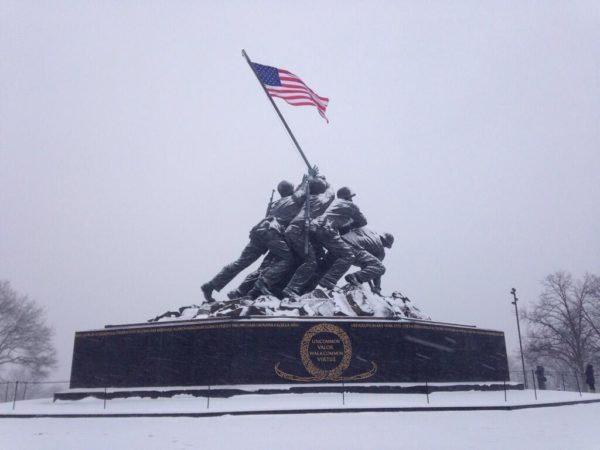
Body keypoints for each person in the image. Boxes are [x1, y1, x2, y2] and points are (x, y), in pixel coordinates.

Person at [201, 179, 304, 303]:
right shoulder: (293, 199)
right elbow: (305, 189)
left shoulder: (276, 203)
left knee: (241, 262)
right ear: (291, 190)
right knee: (288, 259)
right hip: (272, 233)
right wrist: (308, 179)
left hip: (259, 231)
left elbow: (298, 192)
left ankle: (211, 285)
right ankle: (264, 282)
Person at [281, 176, 334, 299]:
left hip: (292, 230)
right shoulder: (321, 200)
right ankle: (291, 289)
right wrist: (326, 181)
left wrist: (309, 181)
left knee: (300, 260)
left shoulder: (307, 198)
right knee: (310, 262)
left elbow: (296, 194)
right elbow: (331, 193)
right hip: (298, 231)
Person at [310, 186, 367, 292]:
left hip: (313, 226)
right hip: (325, 229)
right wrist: (349, 225)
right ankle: (328, 280)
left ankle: (312, 282)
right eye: (351, 197)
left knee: (321, 258)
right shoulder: (351, 206)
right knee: (348, 255)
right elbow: (363, 221)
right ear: (347, 197)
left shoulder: (333, 202)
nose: (352, 199)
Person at [341, 228, 394, 294]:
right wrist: (377, 287)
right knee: (380, 268)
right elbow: (376, 270)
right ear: (386, 243)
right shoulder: (380, 250)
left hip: (340, 244)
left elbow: (367, 267)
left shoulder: (368, 235)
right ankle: (352, 281)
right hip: (354, 251)